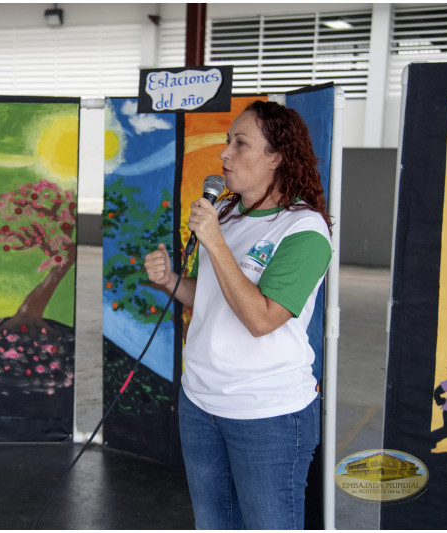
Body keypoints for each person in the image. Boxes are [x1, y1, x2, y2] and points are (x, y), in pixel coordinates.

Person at [144, 100, 333, 529]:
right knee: (212, 524)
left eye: (240, 143)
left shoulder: (304, 230)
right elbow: (211, 298)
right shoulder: (226, 213)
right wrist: (169, 280)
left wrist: (215, 243)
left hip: (267, 413)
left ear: (277, 156)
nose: (224, 153)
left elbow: (261, 318)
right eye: (228, 141)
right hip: (200, 402)